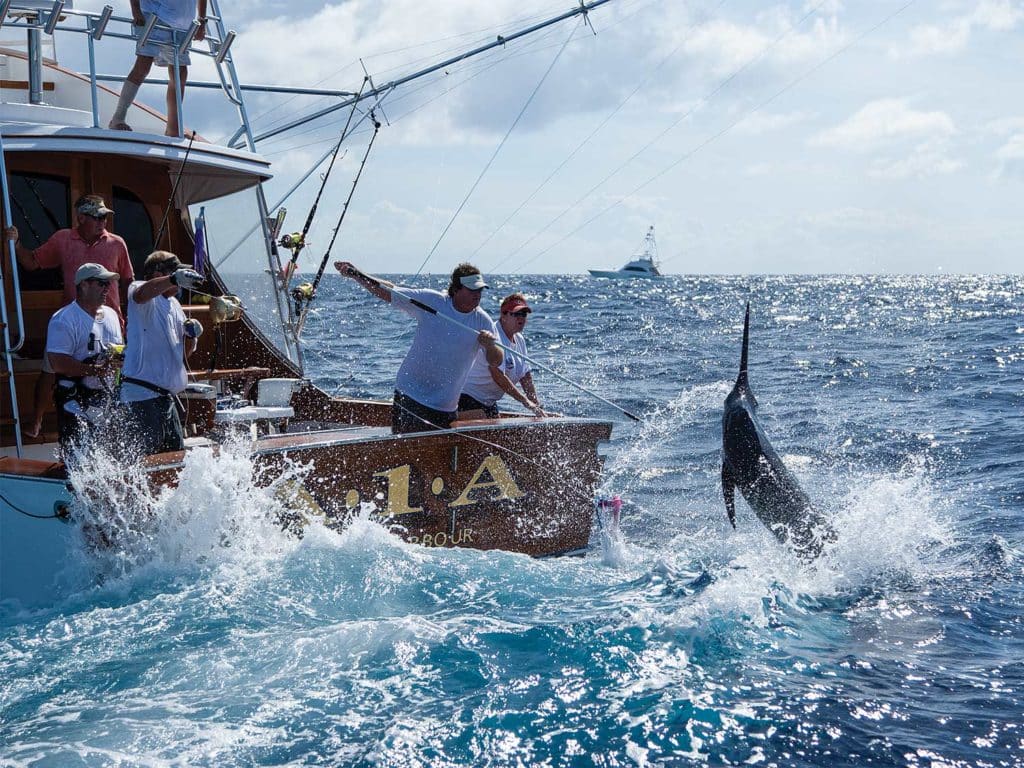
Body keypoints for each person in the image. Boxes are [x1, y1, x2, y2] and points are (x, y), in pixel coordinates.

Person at [5, 193, 134, 438]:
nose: (102, 222)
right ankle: (37, 422)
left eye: (105, 217)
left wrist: (131, 320)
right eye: (97, 217)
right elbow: (32, 263)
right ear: (81, 217)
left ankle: (115, 420)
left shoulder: (117, 243)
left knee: (114, 372)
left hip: (112, 321)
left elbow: (129, 281)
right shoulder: (63, 239)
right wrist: (17, 244)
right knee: (51, 369)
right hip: (71, 321)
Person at [334, 260, 503, 434]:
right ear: (457, 288)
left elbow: (497, 360)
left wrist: (490, 346)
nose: (477, 294)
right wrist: (356, 274)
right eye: (472, 289)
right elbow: (389, 291)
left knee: (437, 459)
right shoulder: (433, 300)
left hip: (446, 407)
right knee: (406, 453)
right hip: (411, 395)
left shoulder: (482, 320)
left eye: (480, 290)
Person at [119, 251, 204, 455]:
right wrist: (173, 279)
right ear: (158, 273)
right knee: (147, 462)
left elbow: (184, 355)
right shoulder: (139, 289)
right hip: (142, 398)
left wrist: (192, 337)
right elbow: (142, 294)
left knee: (175, 461)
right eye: (175, 272)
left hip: (166, 400)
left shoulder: (175, 305)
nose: (180, 279)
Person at [45, 264, 124, 458]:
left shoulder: (112, 315)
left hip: (106, 401)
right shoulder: (64, 319)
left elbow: (118, 353)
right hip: (75, 403)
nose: (107, 288)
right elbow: (58, 363)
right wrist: (96, 370)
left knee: (109, 459)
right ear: (83, 285)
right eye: (102, 283)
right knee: (78, 459)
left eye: (109, 284)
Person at [108, 0, 208, 136]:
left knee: (180, 75)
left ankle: (173, 129)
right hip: (155, 15)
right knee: (143, 65)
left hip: (183, 27)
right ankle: (118, 118)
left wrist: (202, 21)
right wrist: (135, 10)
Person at [460, 293, 544, 418]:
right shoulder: (495, 334)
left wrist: (536, 404)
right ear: (503, 315)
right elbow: (498, 376)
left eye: (524, 314)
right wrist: (525, 402)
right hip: (467, 398)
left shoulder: (520, 339)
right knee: (483, 420)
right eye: (516, 314)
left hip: (489, 402)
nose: (521, 318)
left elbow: (525, 376)